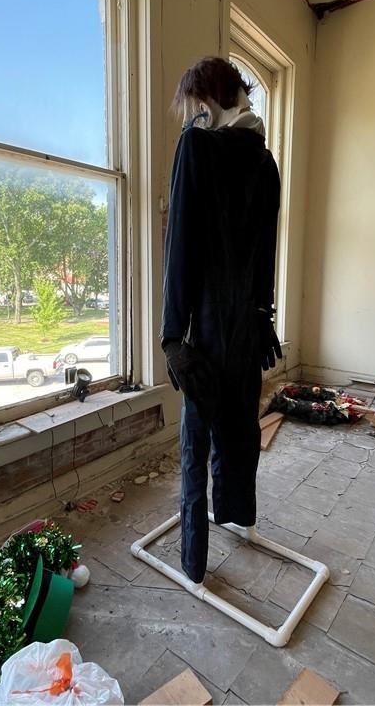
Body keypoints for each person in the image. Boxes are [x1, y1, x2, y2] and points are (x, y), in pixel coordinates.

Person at [160, 56, 283, 584]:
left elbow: (180, 249)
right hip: (244, 328)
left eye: (193, 102)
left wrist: (172, 336)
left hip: (205, 329)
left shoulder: (196, 146)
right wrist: (263, 316)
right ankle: (235, 517)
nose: (190, 112)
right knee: (238, 431)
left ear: (207, 98)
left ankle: (195, 559)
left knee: (200, 441)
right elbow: (265, 255)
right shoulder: (266, 163)